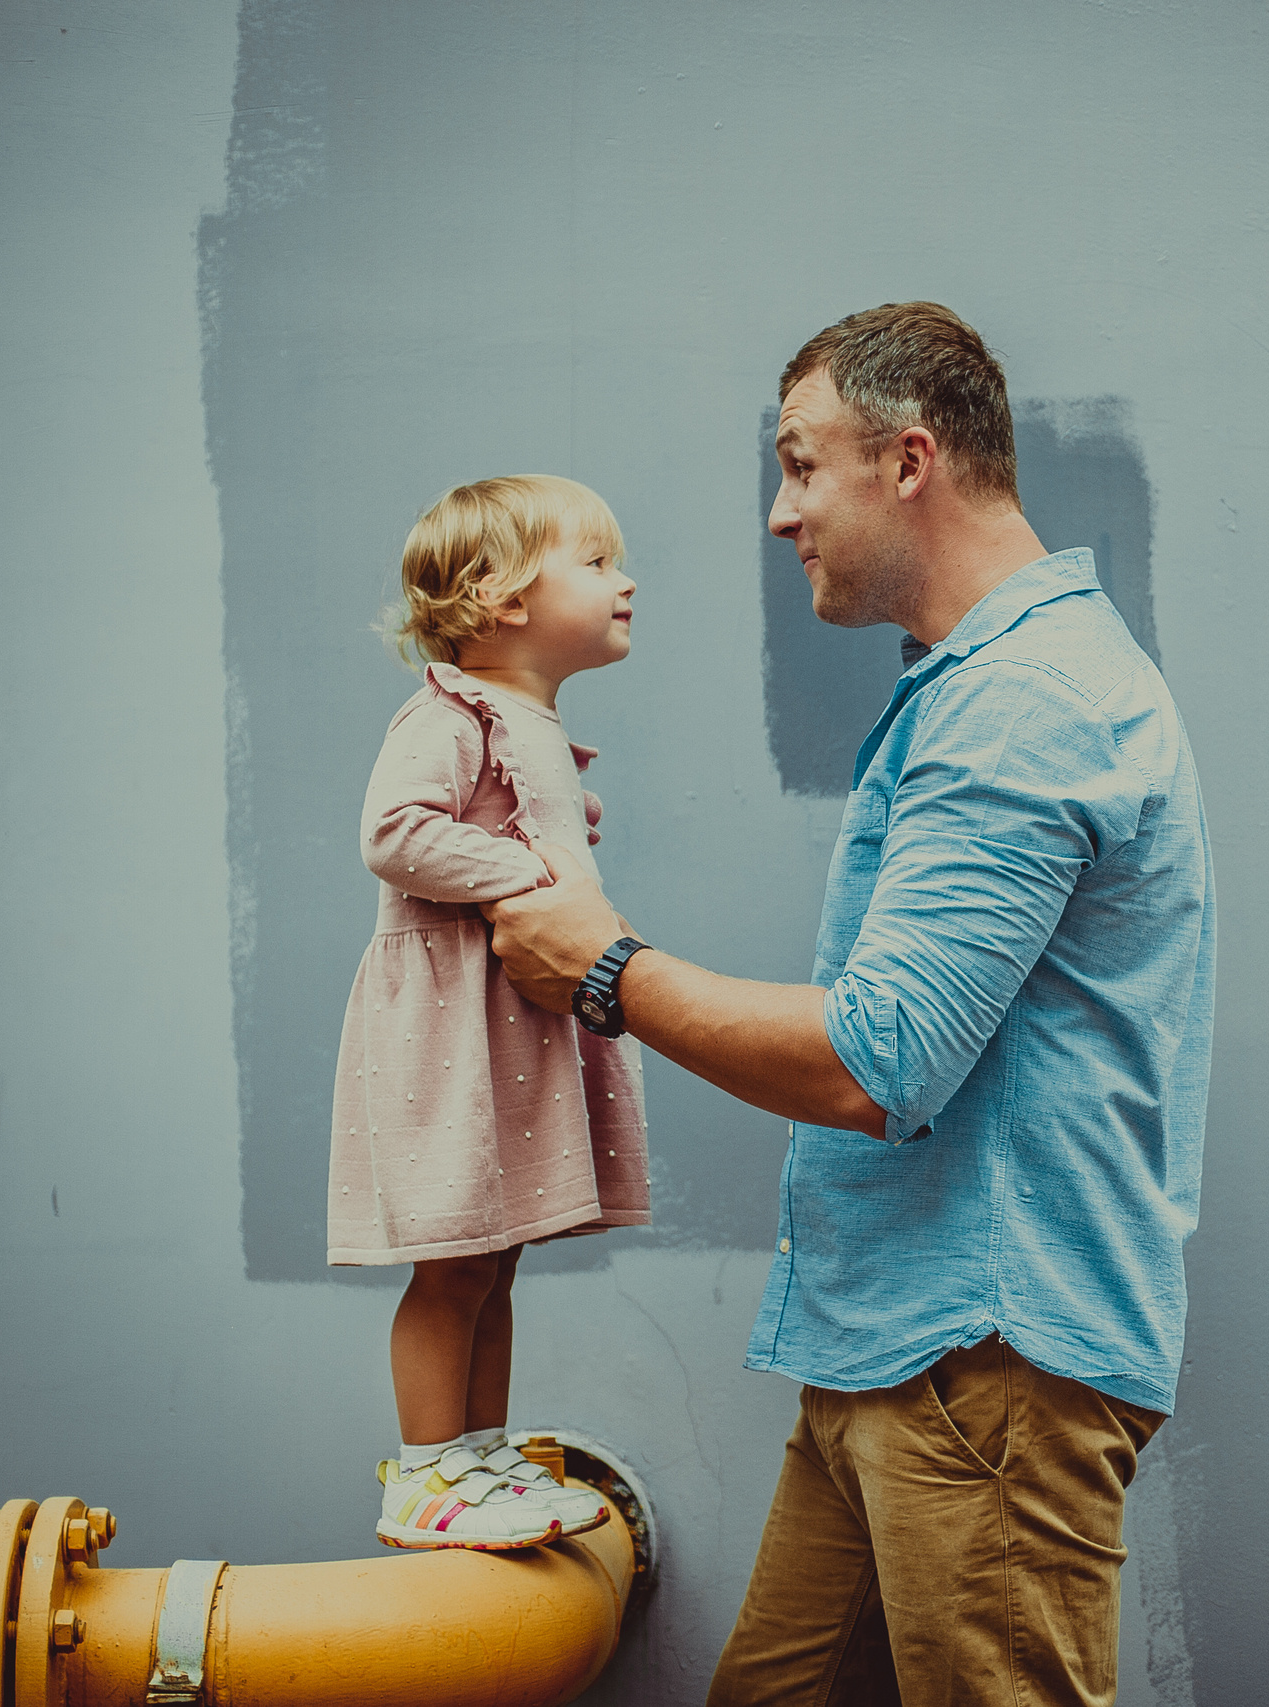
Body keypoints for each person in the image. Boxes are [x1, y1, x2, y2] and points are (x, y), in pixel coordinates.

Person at [483, 302, 1215, 1705]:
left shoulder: (1023, 703)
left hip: (984, 1364)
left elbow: (879, 1061)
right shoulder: (980, 690)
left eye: (802, 464)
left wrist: (605, 966)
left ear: (911, 460)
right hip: (904, 1350)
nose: (779, 511)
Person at [328, 474, 651, 1551]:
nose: (626, 581)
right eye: (597, 563)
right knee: (455, 1256)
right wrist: (533, 865)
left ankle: (480, 1452)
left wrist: (563, 820)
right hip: (452, 1027)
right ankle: (424, 1472)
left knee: (496, 1252)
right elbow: (395, 834)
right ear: (505, 598)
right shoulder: (449, 713)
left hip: (505, 1019)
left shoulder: (527, 722)